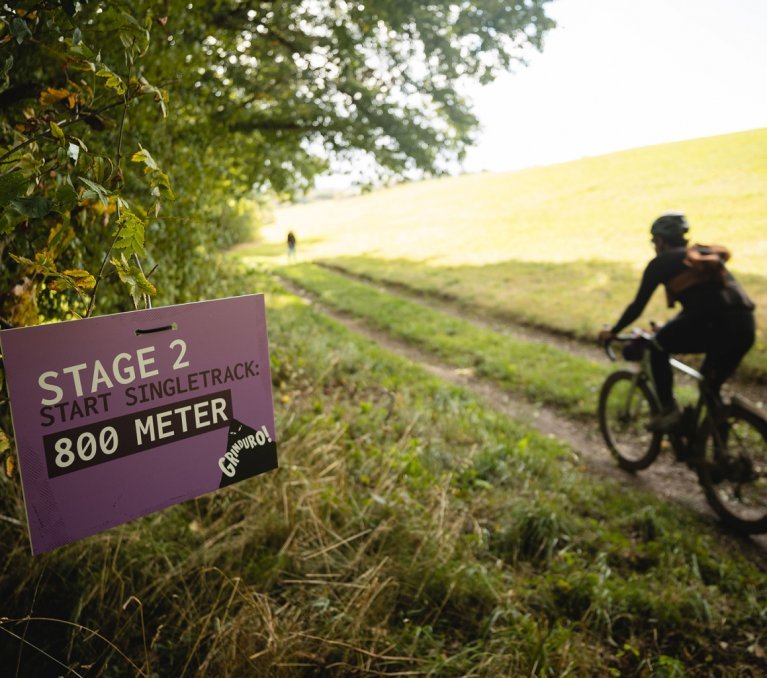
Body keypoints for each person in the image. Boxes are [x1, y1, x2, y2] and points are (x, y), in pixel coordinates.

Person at [598, 212, 756, 430]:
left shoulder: (660, 263)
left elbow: (637, 307)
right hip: (745, 325)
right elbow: (706, 302)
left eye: (654, 241)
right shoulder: (701, 254)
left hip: (714, 324)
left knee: (656, 346)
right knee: (710, 386)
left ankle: (669, 411)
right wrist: (672, 326)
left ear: (660, 241)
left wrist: (613, 330)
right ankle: (720, 452)